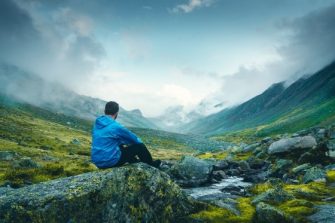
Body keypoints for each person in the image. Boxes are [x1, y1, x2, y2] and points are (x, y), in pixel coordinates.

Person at [91, 101, 161, 169]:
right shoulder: (115, 126)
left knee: (120, 145)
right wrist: (132, 144)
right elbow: (134, 139)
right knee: (139, 146)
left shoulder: (97, 124)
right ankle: (151, 164)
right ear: (116, 112)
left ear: (104, 111)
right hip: (110, 162)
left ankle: (135, 162)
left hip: (98, 162)